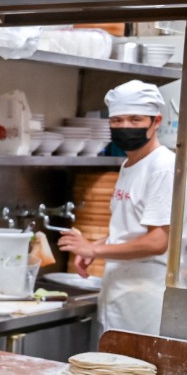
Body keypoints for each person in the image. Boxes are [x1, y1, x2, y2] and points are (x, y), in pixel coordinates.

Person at [59, 80, 174, 336]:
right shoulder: (129, 165)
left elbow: (158, 241)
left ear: (156, 121)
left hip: (146, 297)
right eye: (117, 120)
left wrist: (95, 248)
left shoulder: (163, 166)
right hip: (118, 290)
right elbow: (131, 229)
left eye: (135, 120)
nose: (125, 127)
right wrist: (98, 244)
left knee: (136, 373)